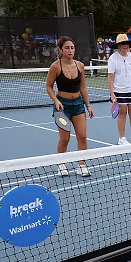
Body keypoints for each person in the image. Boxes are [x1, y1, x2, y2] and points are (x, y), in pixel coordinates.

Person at [46, 35, 94, 177]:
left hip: (78, 105)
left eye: (72, 47)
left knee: (82, 136)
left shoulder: (80, 66)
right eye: (67, 48)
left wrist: (88, 105)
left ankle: (82, 165)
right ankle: (62, 164)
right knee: (64, 139)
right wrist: (56, 100)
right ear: (60, 50)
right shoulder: (55, 67)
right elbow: (48, 86)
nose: (70, 50)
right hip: (62, 108)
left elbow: (83, 87)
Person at [108, 33, 131, 145]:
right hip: (119, 90)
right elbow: (110, 77)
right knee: (122, 113)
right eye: (123, 44)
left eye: (127, 43)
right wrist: (112, 93)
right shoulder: (113, 59)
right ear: (118, 45)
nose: (125, 45)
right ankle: (122, 139)